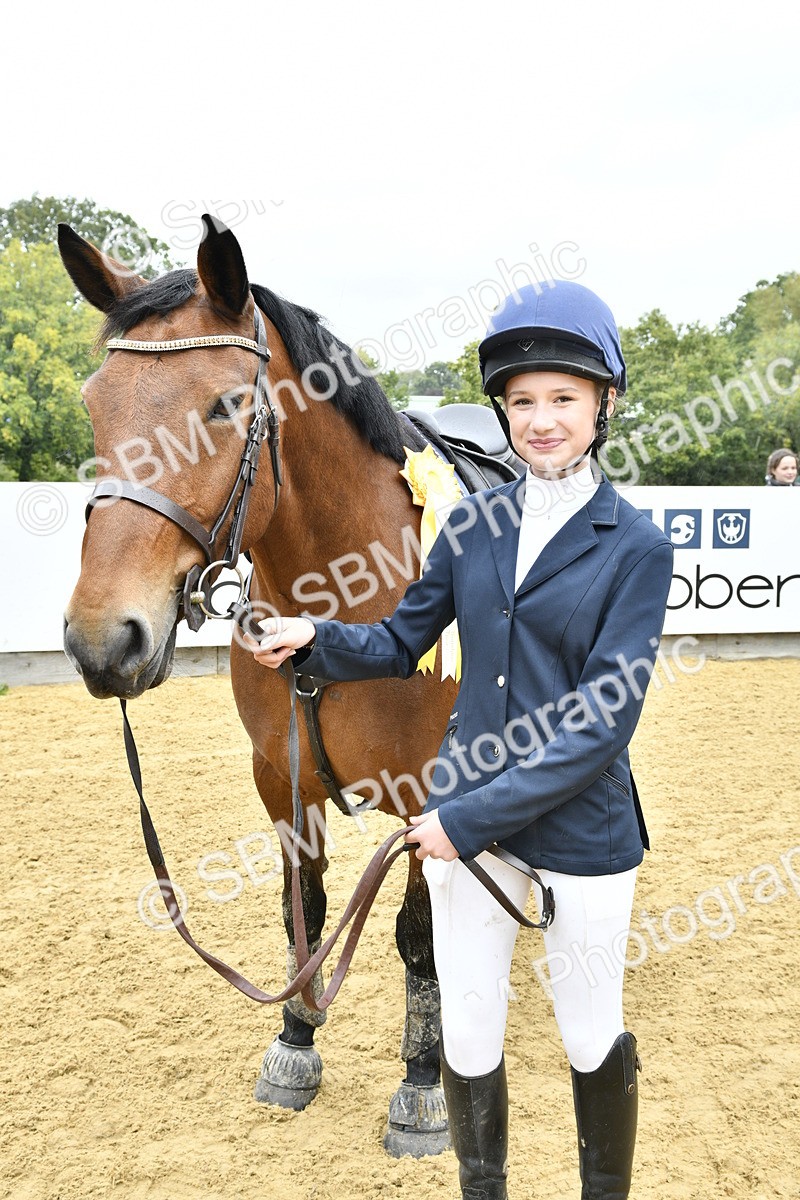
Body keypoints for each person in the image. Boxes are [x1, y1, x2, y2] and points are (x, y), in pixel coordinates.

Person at [245, 280, 674, 1199]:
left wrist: (461, 815)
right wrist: (316, 636)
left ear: (603, 404)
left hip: (580, 837)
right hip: (464, 837)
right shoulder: (473, 522)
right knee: (471, 1035)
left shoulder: (636, 546)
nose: (541, 420)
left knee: (590, 1035)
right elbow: (403, 639)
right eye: (522, 401)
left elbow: (601, 723)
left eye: (563, 398)